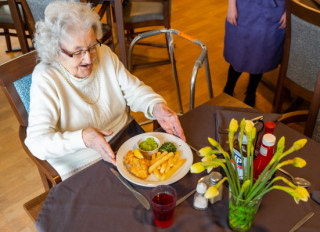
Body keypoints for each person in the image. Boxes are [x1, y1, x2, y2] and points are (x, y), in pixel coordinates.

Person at [25, 1, 185, 180]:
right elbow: (36, 143)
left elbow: (133, 90)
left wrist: (155, 106)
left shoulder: (104, 54)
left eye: (92, 47)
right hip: (82, 163)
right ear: (55, 51)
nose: (88, 59)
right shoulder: (46, 78)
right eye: (77, 52)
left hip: (126, 142)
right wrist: (83, 138)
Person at [223, 0, 286, 107]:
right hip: (244, 8)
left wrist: (289, 11)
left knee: (260, 55)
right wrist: (231, 6)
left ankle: (251, 91)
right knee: (239, 52)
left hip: (274, 12)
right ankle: (229, 87)